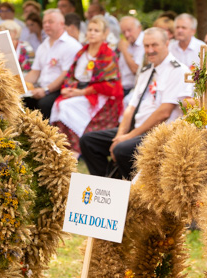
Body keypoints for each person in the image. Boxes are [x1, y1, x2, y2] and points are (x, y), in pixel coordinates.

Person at [80, 27, 190, 180]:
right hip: (136, 128)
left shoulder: (177, 70)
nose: (150, 50)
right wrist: (119, 136)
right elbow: (131, 107)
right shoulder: (146, 71)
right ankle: (111, 186)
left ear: (167, 43)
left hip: (157, 133)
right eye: (146, 46)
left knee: (122, 150)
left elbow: (164, 112)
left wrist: (128, 137)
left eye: (154, 45)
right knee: (89, 141)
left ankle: (135, 192)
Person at [50, 16, 123, 154]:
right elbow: (71, 75)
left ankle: (75, 150)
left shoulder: (108, 54)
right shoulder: (82, 52)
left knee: (67, 106)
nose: (92, 33)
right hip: (80, 90)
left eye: (97, 30)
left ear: (104, 34)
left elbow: (109, 85)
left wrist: (80, 93)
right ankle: (61, 148)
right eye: (90, 30)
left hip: (100, 96)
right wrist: (68, 89)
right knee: (57, 104)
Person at [23, 9, 80, 119]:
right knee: (22, 101)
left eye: (50, 22)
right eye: (44, 22)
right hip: (42, 88)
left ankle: (47, 135)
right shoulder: (43, 46)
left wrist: (46, 90)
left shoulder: (71, 45)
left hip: (61, 89)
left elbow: (65, 75)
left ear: (62, 24)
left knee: (43, 104)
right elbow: (35, 72)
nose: (46, 25)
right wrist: (20, 85)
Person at [117, 16, 144, 97]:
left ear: (139, 28)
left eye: (129, 30)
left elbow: (136, 70)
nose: (127, 35)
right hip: (121, 88)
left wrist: (124, 50)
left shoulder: (145, 43)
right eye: (123, 32)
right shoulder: (127, 43)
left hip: (134, 91)